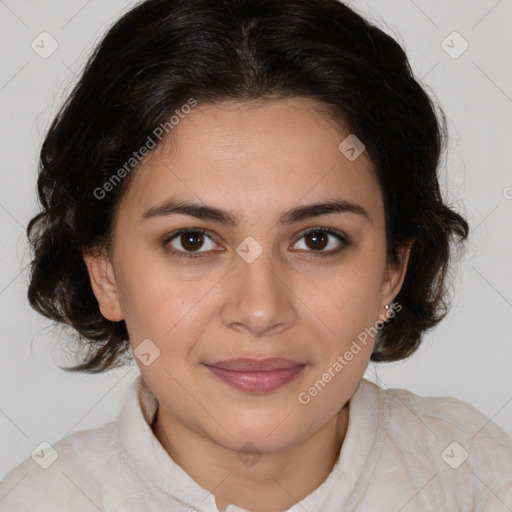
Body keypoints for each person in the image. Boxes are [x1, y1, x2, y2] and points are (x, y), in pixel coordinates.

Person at [1, 0, 511, 510]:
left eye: (317, 239)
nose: (260, 310)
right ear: (105, 273)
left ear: (392, 270)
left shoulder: (482, 481)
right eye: (192, 241)